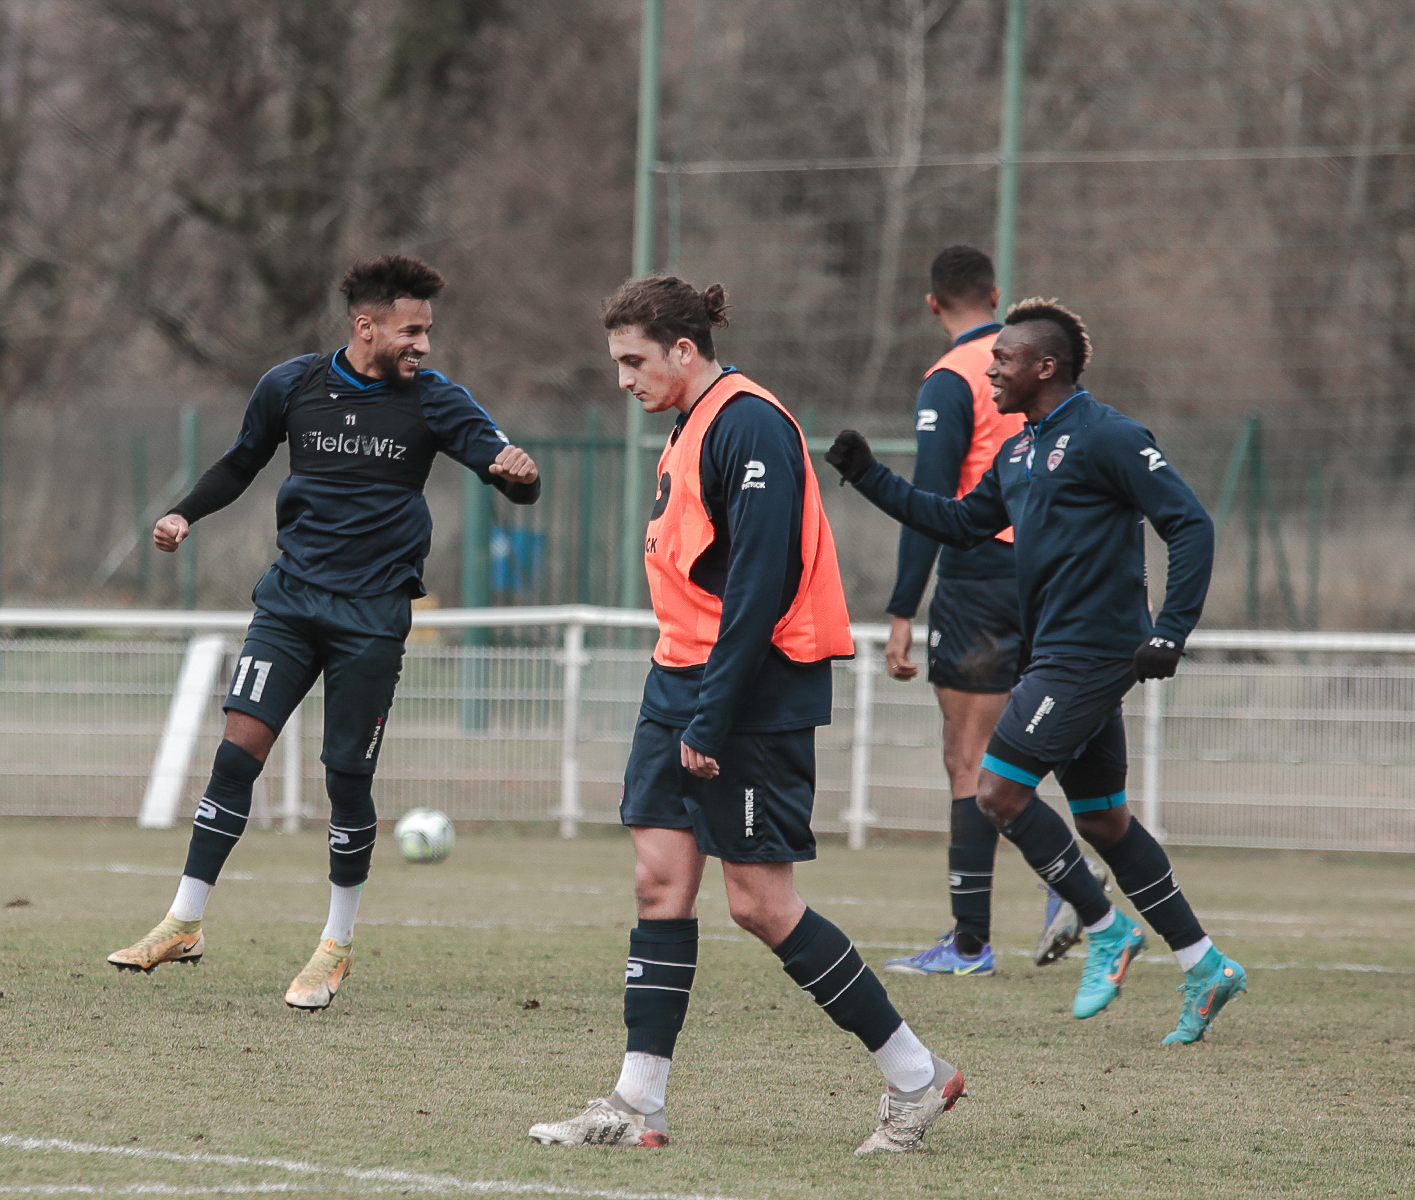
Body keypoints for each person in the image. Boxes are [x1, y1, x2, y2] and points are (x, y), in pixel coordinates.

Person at [527, 277, 962, 1155]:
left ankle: (917, 1078)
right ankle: (636, 1103)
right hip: (677, 677)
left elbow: (761, 585)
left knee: (761, 904)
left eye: (633, 362)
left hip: (750, 695)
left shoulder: (749, 421)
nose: (623, 380)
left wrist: (711, 721)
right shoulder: (688, 427)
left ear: (683, 351)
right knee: (658, 879)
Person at [106, 254, 540, 1012]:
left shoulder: (437, 401)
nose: (425, 345)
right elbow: (242, 462)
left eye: (429, 331)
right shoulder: (292, 385)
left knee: (346, 777)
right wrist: (185, 512)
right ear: (365, 326)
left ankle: (336, 945)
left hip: (373, 614)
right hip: (290, 602)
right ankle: (184, 921)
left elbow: (505, 475)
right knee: (237, 750)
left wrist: (519, 474)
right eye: (412, 330)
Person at [823, 298, 1248, 1045]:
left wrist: (1171, 632)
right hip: (1052, 651)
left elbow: (1189, 523)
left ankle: (1102, 927)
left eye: (1005, 360)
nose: (991, 368)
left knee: (998, 792)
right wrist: (868, 477)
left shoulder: (1108, 435)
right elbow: (958, 521)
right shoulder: (1018, 451)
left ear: (1044, 367)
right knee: (1103, 820)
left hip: (1094, 652)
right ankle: (1204, 963)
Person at [876, 245, 1027, 979]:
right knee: (1035, 751)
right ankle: (1077, 896)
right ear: (995, 296)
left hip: (981, 576)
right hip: (1054, 572)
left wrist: (903, 608)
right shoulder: (1039, 362)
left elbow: (933, 506)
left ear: (932, 304)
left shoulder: (952, 377)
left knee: (969, 758)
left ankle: (971, 943)